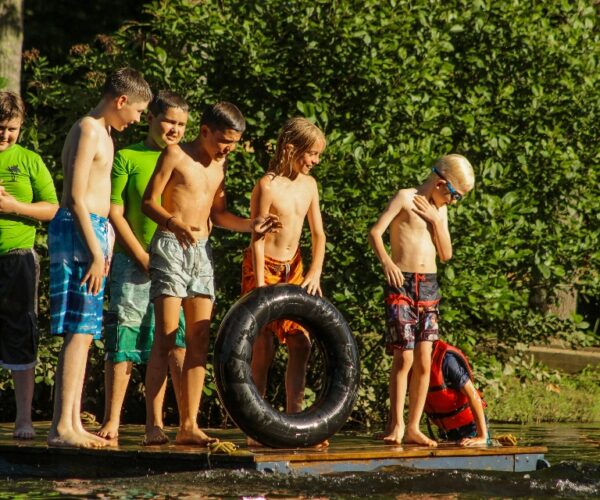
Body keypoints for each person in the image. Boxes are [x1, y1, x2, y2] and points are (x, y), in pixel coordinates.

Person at [141, 101, 279, 446]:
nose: (228, 148)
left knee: (199, 338)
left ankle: (189, 424)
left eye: (233, 143)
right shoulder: (175, 154)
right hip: (171, 245)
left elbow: (218, 215)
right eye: (223, 141)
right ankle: (153, 424)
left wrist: (252, 225)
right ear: (205, 131)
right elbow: (149, 201)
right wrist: (174, 223)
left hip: (201, 252)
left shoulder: (221, 164)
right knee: (168, 337)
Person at [48, 67, 152, 448]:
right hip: (79, 232)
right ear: (121, 101)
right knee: (78, 330)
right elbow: (75, 196)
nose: (139, 120)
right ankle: (61, 428)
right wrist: (95, 251)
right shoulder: (90, 128)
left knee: (87, 331)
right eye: (138, 112)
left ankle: (72, 422)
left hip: (93, 232)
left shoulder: (105, 132)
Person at [97, 91, 190, 441]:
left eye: (181, 125)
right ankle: (112, 420)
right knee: (124, 335)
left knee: (170, 339)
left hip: (174, 264)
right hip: (131, 259)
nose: (174, 130)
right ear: (150, 117)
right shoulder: (128, 156)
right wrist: (140, 255)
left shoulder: (185, 158)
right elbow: (114, 210)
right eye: (169, 121)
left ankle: (160, 424)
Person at [368, 154, 474, 446]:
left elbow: (446, 254)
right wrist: (387, 263)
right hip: (401, 282)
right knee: (404, 356)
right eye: (455, 196)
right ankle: (397, 424)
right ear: (441, 184)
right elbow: (376, 233)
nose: (453, 202)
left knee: (424, 361)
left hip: (428, 287)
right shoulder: (405, 198)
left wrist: (434, 220)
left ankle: (414, 425)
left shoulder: (440, 211)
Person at [242, 117, 326, 421]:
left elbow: (319, 234)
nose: (315, 161)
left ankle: (296, 418)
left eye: (318, 155)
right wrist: (261, 284)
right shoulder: (267, 185)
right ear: (291, 149)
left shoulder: (310, 186)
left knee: (300, 342)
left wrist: (315, 271)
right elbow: (258, 236)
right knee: (263, 346)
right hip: (264, 265)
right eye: (312, 154)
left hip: (297, 269)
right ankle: (259, 421)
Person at [0, 91, 59, 439]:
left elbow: (52, 209)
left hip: (17, 257)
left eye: (12, 129)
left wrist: (14, 208)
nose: (5, 135)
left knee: (21, 331)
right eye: (0, 128)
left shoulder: (30, 160)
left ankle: (24, 418)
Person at [423, 339, 489, 446]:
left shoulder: (447, 361)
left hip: (471, 427)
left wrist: (482, 436)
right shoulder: (412, 361)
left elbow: (473, 396)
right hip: (446, 431)